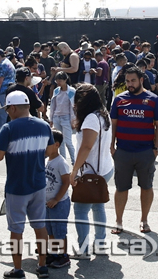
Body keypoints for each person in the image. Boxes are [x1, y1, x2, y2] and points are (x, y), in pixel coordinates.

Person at [0, 91, 54, 279]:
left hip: (17, 187)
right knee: (40, 226)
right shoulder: (44, 126)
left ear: (12, 108)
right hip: (38, 184)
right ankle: (42, 265)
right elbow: (50, 151)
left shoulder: (8, 128)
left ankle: (18, 270)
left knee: (16, 230)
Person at [110, 66, 158, 235]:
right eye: (127, 81)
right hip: (123, 151)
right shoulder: (118, 100)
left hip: (145, 151)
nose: (130, 84)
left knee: (146, 186)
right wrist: (112, 146)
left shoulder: (153, 100)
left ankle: (144, 220)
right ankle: (118, 221)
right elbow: (114, 125)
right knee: (121, 188)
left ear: (141, 80)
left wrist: (156, 148)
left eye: (133, 80)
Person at [68, 84, 114, 259]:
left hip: (91, 173)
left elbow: (86, 146)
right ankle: (100, 244)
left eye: (78, 98)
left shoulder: (91, 119)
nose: (75, 103)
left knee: (80, 210)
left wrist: (74, 171)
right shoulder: (103, 114)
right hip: (104, 169)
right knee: (98, 206)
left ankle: (83, 249)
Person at [44, 130, 71, 268]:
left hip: (59, 203)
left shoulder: (61, 163)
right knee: (50, 231)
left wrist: (56, 199)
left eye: (46, 143)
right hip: (47, 203)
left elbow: (66, 182)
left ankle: (63, 255)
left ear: (56, 144)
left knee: (60, 231)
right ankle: (54, 253)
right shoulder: (47, 161)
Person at [50, 71, 76, 164]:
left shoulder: (72, 91)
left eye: (60, 80)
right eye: (57, 80)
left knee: (68, 141)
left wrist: (73, 120)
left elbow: (72, 107)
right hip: (57, 117)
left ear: (65, 80)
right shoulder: (56, 90)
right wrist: (51, 118)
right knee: (59, 142)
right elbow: (53, 105)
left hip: (66, 118)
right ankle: (63, 162)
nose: (58, 82)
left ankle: (74, 161)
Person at [0, 49, 16, 137]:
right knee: (3, 113)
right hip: (8, 91)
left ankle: (0, 132)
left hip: (3, 91)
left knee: (1, 113)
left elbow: (0, 80)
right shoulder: (8, 63)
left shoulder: (2, 64)